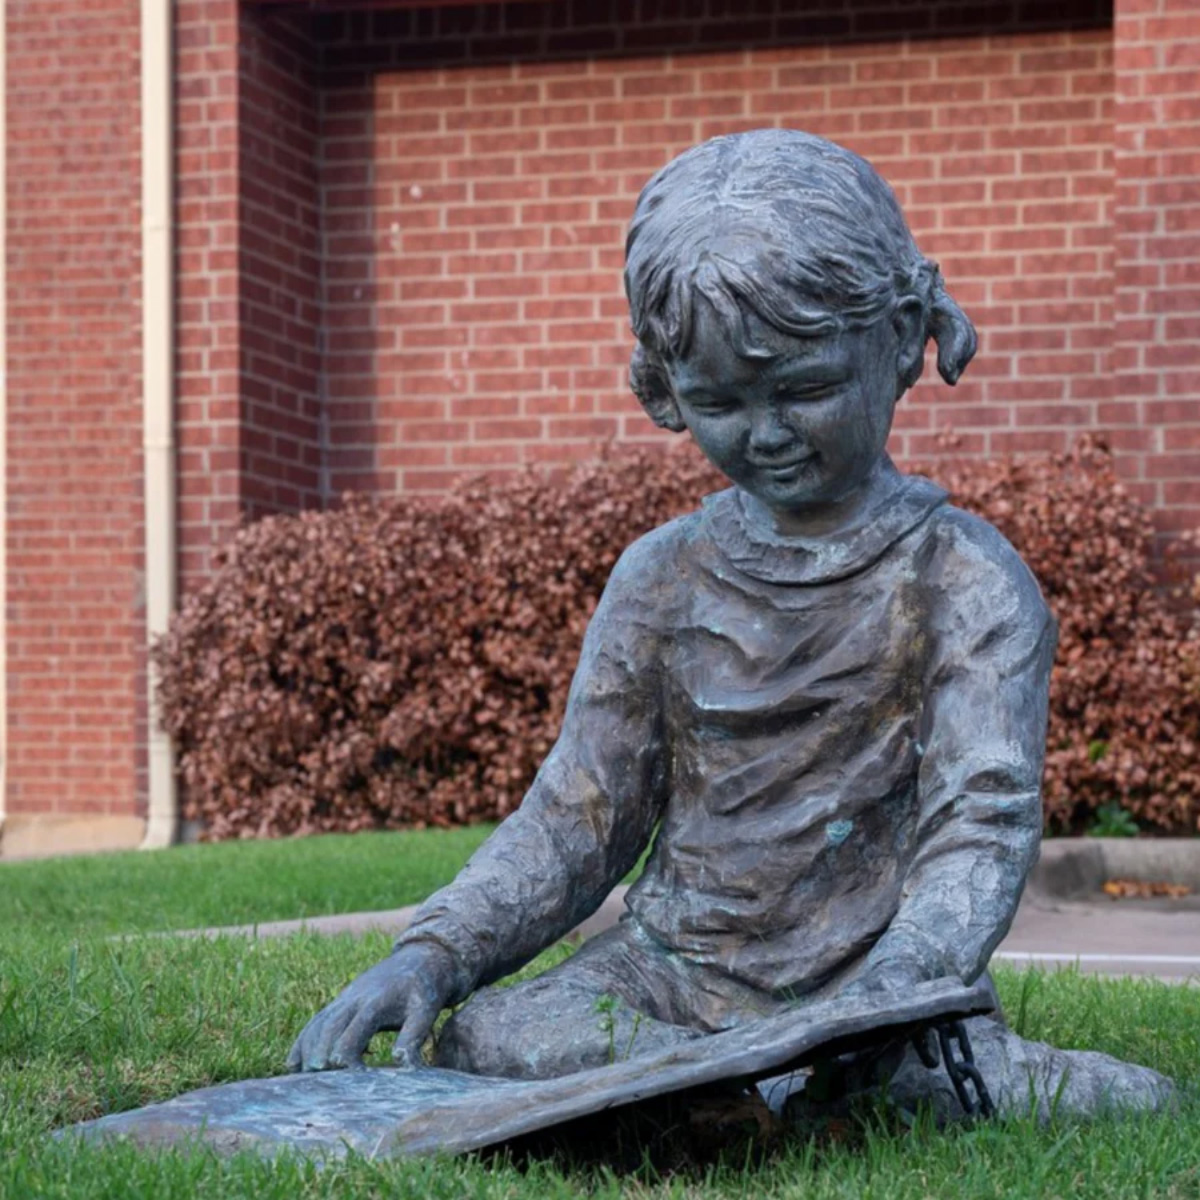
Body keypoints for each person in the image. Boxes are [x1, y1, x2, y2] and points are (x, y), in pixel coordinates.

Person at [288, 131, 1169, 1119]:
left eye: (804, 389)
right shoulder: (660, 579)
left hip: (879, 996)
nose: (766, 431)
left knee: (1051, 1094)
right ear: (666, 391)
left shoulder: (961, 577)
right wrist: (434, 952)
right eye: (720, 401)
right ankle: (725, 1087)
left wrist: (899, 986)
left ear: (900, 339)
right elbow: (579, 818)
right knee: (492, 1030)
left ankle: (739, 1092)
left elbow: (978, 825)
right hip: (670, 976)